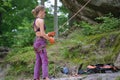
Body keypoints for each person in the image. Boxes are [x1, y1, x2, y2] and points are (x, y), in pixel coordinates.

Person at [32, 5, 55, 80]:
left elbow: (39, 33)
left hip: (36, 42)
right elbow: (42, 34)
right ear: (41, 11)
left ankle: (36, 78)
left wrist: (48, 34)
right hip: (41, 43)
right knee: (44, 60)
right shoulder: (41, 21)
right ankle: (45, 77)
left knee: (38, 61)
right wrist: (50, 39)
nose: (45, 13)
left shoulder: (35, 20)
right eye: (44, 12)